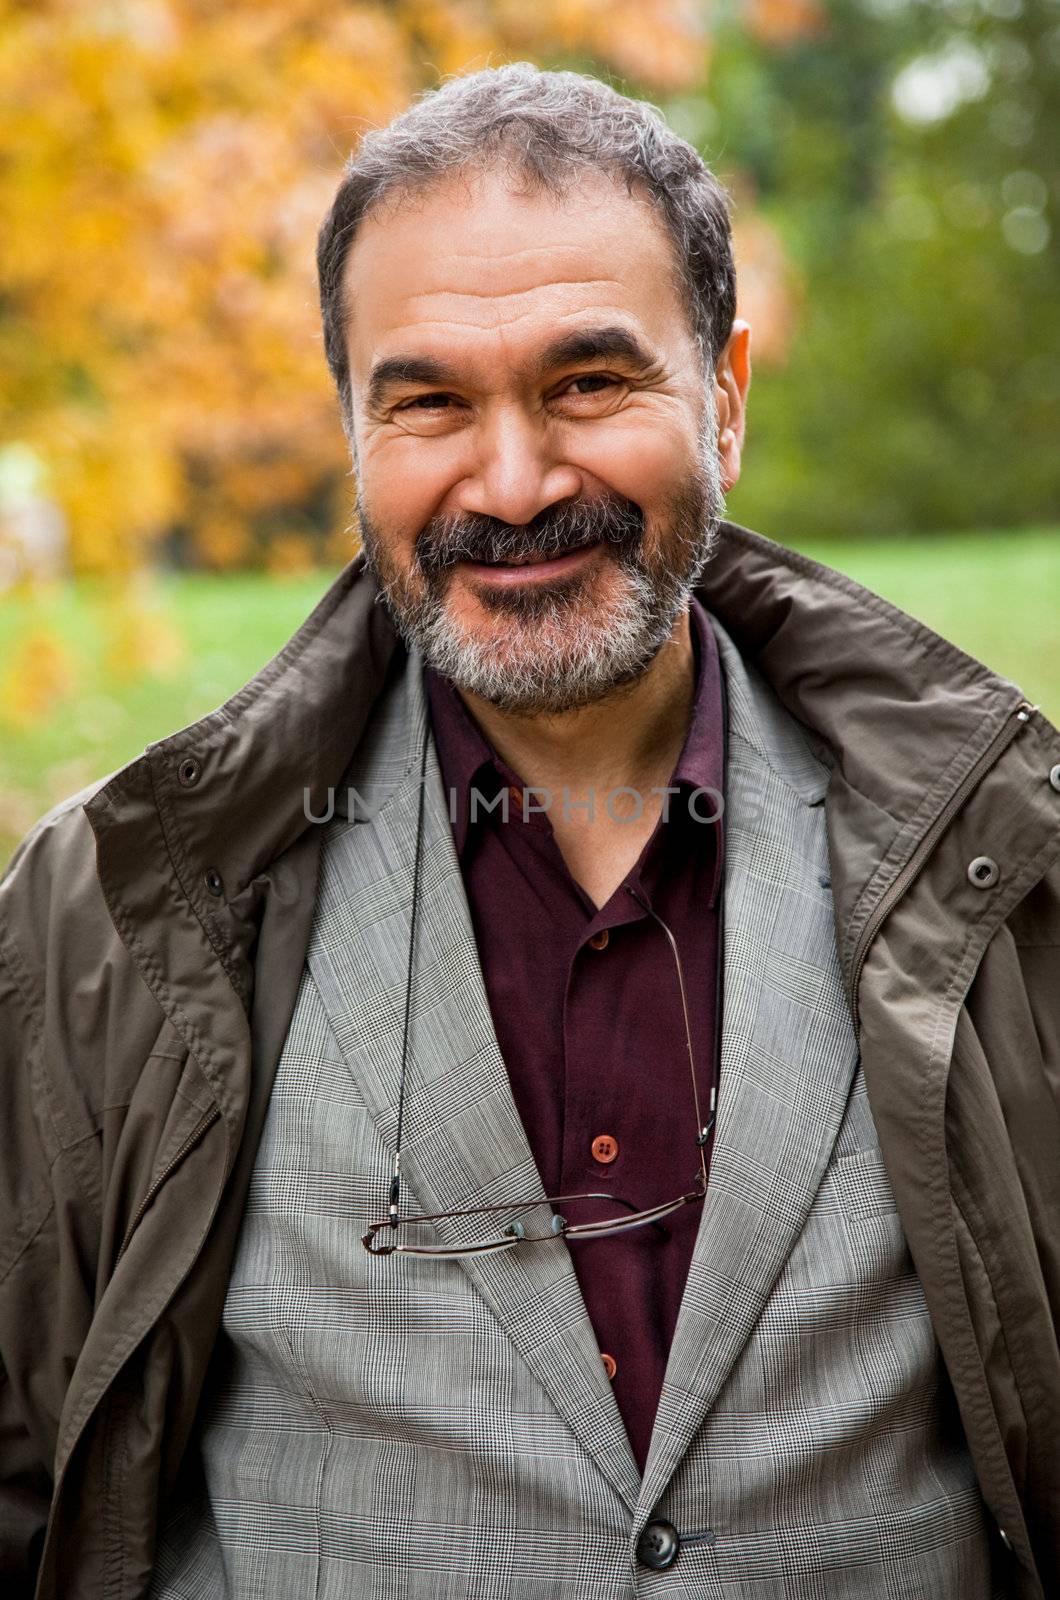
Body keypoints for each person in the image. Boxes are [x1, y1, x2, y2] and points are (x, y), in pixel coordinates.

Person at [1, 62, 1058, 1600]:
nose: (510, 481)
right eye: (428, 401)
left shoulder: (1013, 872)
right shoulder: (108, 915)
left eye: (588, 385)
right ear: (352, 431)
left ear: (729, 399)